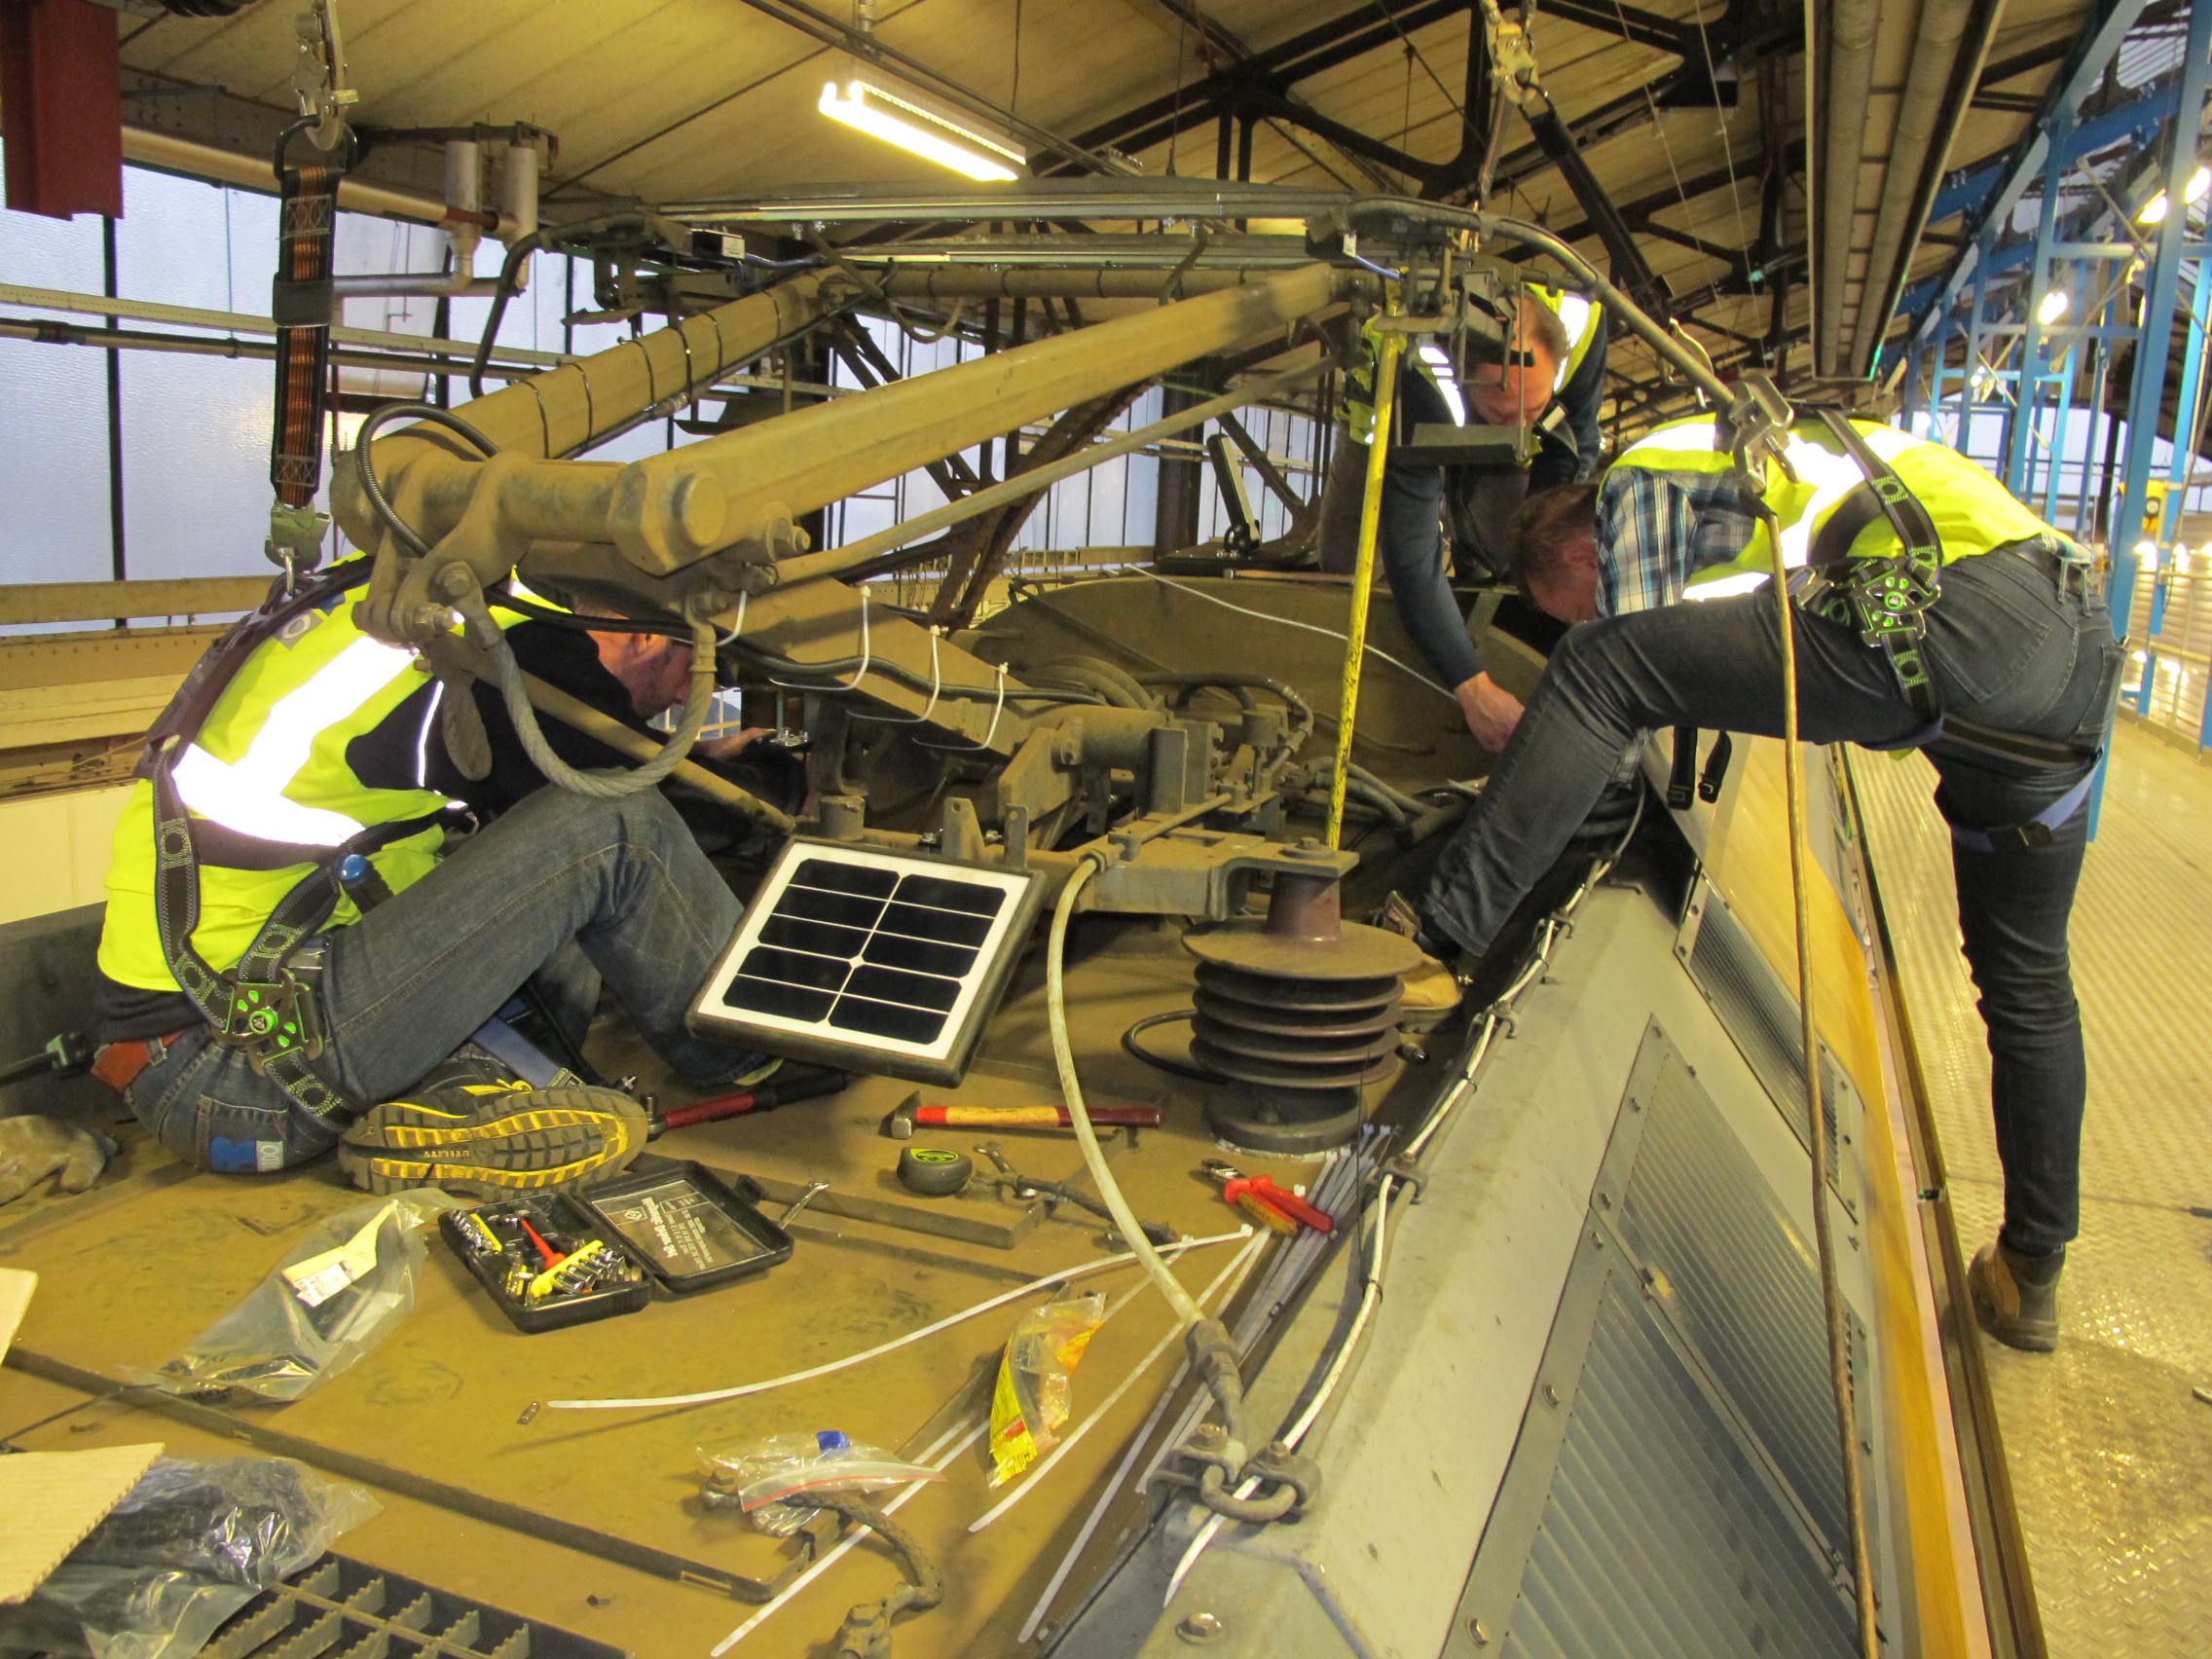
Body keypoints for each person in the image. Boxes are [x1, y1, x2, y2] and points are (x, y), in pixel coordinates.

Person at [1415, 413, 2123, 1352]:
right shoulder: (1753, 488)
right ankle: (2029, 1272)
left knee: (1599, 668)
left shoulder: (1640, 480)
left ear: (1584, 552)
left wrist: (1546, 785)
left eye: (1571, 601)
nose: (1580, 614)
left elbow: (1625, 663)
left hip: (1960, 615)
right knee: (2026, 983)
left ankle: (1432, 944)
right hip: (2072, 669)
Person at [84, 564, 795, 1191]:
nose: (678, 701)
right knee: (614, 823)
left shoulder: (415, 611)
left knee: (544, 856)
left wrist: (697, 756)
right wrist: (779, 779)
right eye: (693, 673)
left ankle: (462, 1101)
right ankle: (742, 1051)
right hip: (237, 1069)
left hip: (222, 1035)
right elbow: (657, 804)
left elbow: (561, 768)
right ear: (641, 633)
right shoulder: (494, 654)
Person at [1319, 280, 1607, 751]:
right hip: (1385, 428)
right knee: (1346, 565)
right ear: (1464, 376)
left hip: (1483, 424)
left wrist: (1537, 555)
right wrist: (1471, 687)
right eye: (1505, 414)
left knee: (1513, 552)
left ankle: (1485, 632)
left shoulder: (1583, 325)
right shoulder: (1414, 370)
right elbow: (1412, 546)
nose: (1519, 423)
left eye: (1533, 408)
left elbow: (1572, 446)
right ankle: (1418, 660)